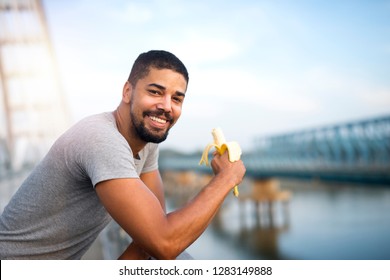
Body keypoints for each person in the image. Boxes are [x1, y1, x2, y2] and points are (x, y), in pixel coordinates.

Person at [0, 50, 246, 260]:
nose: (167, 106)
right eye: (156, 92)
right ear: (127, 92)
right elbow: (164, 242)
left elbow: (149, 237)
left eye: (177, 98)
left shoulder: (147, 141)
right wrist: (226, 179)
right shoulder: (100, 138)